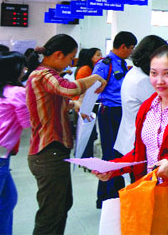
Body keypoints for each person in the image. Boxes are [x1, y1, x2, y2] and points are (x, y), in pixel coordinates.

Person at [25, 34, 106, 234]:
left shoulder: (45, 75)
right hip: (48, 150)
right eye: (70, 58)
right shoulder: (43, 74)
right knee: (51, 213)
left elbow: (55, 100)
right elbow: (67, 88)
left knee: (61, 205)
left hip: (53, 150)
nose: (70, 63)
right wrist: (94, 78)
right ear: (59, 55)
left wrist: (74, 105)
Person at [94, 44, 168, 185]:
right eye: (154, 73)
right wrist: (113, 168)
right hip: (150, 188)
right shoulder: (148, 107)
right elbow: (141, 154)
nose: (159, 81)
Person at [91, 31, 137, 207]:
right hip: (109, 111)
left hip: (121, 111)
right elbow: (94, 87)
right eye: (131, 48)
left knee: (118, 152)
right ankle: (108, 197)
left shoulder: (123, 64)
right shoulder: (105, 64)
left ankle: (112, 194)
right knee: (110, 153)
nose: (131, 52)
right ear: (123, 47)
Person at [0, 52, 29, 234]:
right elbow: (27, 122)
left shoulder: (0, 89)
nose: (25, 70)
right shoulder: (17, 92)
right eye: (23, 67)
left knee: (8, 199)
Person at [114, 35, 166, 158]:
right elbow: (164, 109)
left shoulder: (134, 72)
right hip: (135, 143)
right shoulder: (143, 80)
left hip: (128, 138)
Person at [72, 47, 103, 159]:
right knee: (87, 132)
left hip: (87, 103)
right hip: (84, 104)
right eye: (98, 55)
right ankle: (85, 157)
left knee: (88, 132)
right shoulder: (86, 69)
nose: (101, 57)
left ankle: (85, 156)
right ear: (91, 57)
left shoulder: (90, 68)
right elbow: (85, 89)